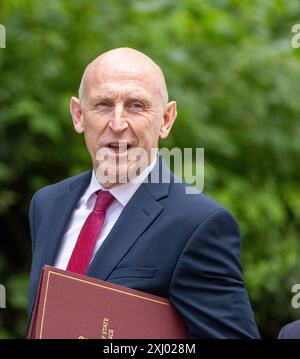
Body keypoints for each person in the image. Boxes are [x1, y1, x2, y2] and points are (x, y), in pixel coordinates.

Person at [28, 47, 260, 338]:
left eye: (136, 105)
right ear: (78, 115)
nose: (117, 124)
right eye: (102, 104)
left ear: (166, 119)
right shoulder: (47, 204)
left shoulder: (198, 224)